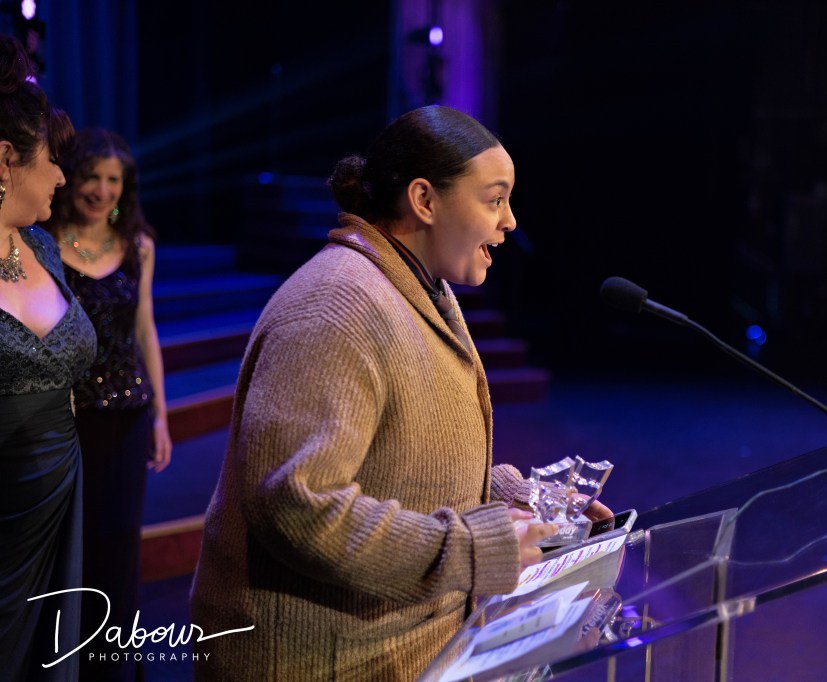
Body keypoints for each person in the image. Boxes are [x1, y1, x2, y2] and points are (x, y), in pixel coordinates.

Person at [189, 104, 612, 680]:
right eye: (494, 199)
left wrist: (524, 503)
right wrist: (471, 549)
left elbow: (402, 454)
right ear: (425, 200)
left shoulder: (415, 286)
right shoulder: (336, 305)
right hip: (319, 664)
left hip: (396, 651)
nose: (510, 220)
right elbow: (297, 503)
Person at [41, 126, 172, 681]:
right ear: (71, 177)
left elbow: (145, 330)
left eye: (113, 180)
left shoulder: (139, 246)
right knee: (71, 548)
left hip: (127, 417)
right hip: (67, 421)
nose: (101, 189)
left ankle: (117, 670)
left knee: (119, 545)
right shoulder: (42, 242)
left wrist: (163, 415)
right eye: (92, 176)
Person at [0, 35, 97, 681]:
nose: (64, 177)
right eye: (53, 162)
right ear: (5, 159)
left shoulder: (45, 246)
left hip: (59, 489)